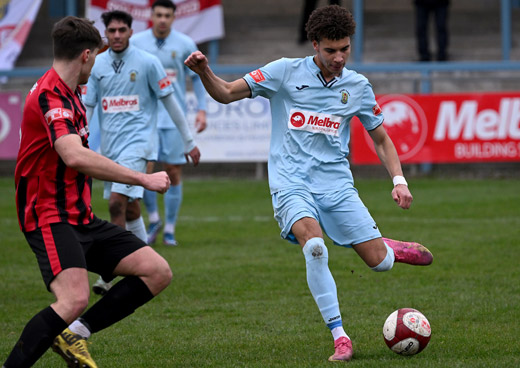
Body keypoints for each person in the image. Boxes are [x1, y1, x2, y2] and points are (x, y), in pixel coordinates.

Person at [185, 5, 433, 362]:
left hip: (336, 185)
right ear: (314, 44)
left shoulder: (358, 86)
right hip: (291, 182)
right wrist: (204, 70)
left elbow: (381, 139)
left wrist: (399, 180)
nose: (338, 57)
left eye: (345, 49)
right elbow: (225, 93)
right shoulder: (283, 72)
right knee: (314, 246)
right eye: (330, 50)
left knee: (378, 263)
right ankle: (340, 337)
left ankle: (387, 247)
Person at [3, 16, 173, 368]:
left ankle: (74, 334)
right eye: (95, 55)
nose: (95, 63)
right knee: (73, 299)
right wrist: (142, 178)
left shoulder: (71, 93)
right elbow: (73, 155)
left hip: (78, 216)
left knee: (156, 271)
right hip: (48, 214)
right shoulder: (51, 95)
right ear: (85, 55)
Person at [83, 10, 200, 294]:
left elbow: (171, 101)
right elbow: (89, 106)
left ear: (131, 32)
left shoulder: (148, 63)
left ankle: (109, 272)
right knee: (132, 207)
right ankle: (149, 263)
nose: (117, 36)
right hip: (111, 147)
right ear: (106, 34)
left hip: (140, 145)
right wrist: (82, 140)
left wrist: (188, 140)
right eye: (112, 31)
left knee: (114, 203)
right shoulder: (97, 65)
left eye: (122, 30)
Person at [131, 0, 207, 247]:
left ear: (174, 18)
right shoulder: (137, 43)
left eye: (167, 15)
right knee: (146, 172)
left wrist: (202, 110)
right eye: (158, 14)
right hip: (144, 118)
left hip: (174, 118)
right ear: (151, 16)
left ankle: (170, 229)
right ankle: (154, 220)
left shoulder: (185, 44)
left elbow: (198, 78)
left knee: (173, 171)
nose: (162, 19)